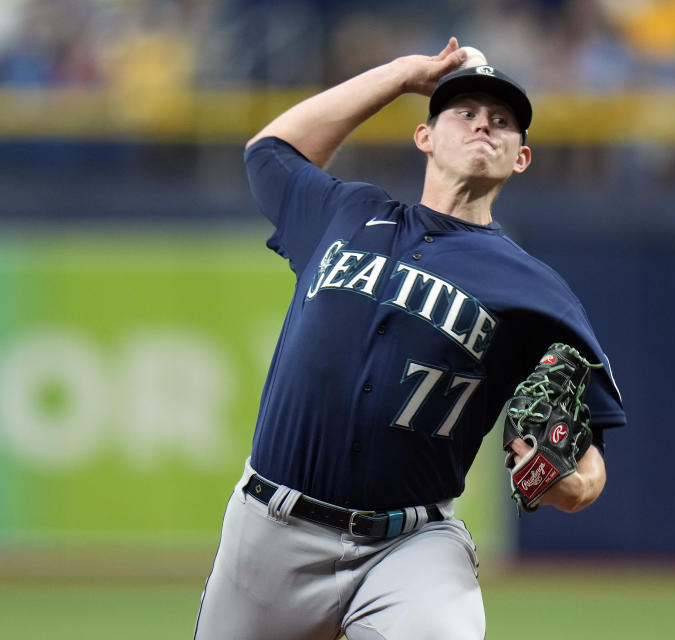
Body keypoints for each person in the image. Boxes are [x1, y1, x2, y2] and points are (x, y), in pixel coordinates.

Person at [194, 37, 626, 640]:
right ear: (424, 137)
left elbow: (591, 455)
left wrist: (569, 485)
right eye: (465, 113)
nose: (484, 125)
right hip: (269, 530)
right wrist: (399, 76)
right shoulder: (346, 213)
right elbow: (269, 151)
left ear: (519, 158)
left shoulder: (537, 291)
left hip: (411, 547)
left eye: (502, 122)